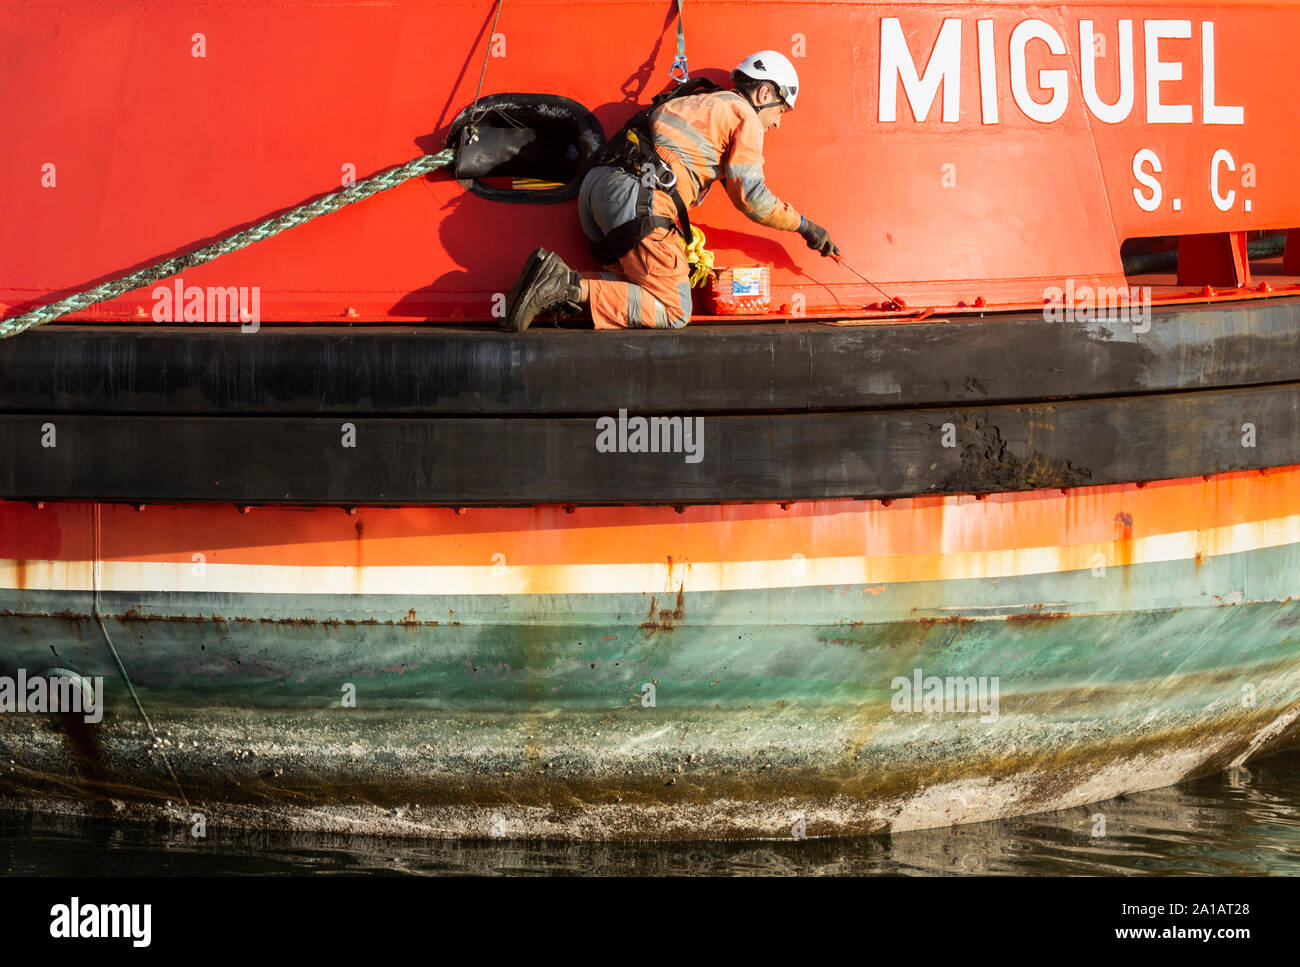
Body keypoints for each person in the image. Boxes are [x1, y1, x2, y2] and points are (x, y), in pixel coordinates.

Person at [503, 50, 839, 332]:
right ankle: (562, 285)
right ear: (765, 93)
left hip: (597, 190)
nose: (778, 122)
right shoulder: (745, 117)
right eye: (781, 110)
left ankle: (544, 280)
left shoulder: (699, 102)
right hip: (636, 200)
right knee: (674, 309)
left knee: (634, 287)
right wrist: (806, 228)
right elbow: (751, 198)